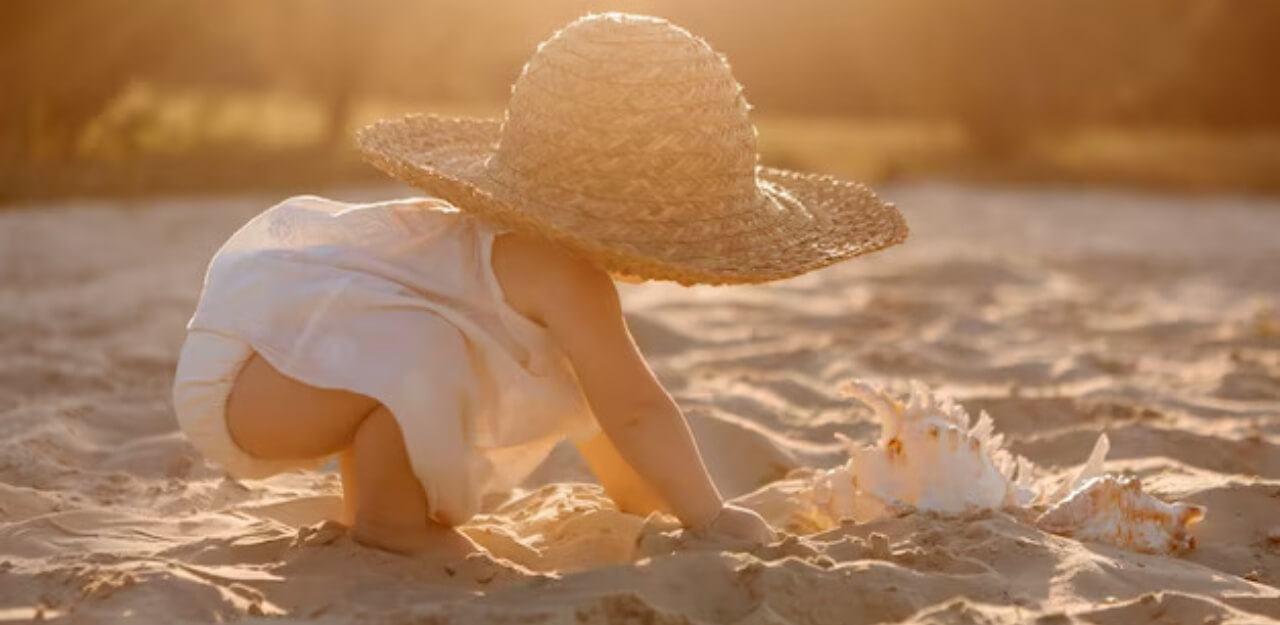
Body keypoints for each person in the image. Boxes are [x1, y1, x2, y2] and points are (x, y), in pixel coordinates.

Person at [171, 12, 907, 560]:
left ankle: (382, 516)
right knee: (427, 348)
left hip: (263, 371)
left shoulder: (498, 253)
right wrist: (711, 516)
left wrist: (652, 510)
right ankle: (391, 529)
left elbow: (602, 422)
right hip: (270, 389)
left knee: (424, 347)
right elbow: (638, 410)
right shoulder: (569, 278)